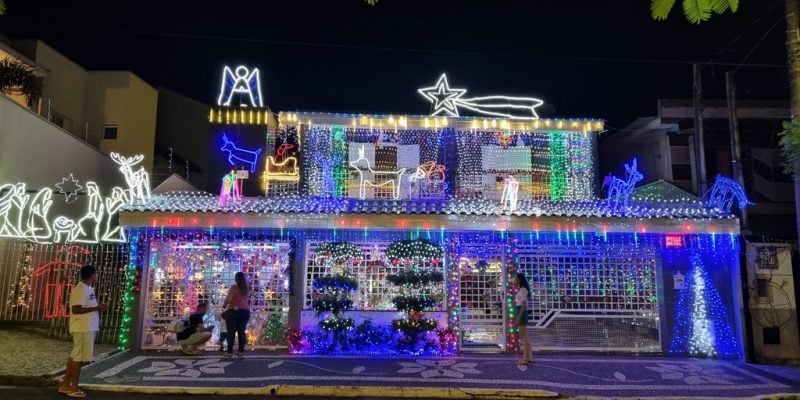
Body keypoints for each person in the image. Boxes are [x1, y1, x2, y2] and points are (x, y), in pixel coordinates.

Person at [58, 265, 108, 398]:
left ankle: (65, 384)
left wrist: (96, 308)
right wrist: (98, 308)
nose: (97, 276)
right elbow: (76, 309)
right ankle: (74, 387)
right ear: (92, 275)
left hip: (87, 326)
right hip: (82, 327)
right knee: (79, 358)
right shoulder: (80, 290)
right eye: (96, 273)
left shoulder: (88, 288)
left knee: (75, 355)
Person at [222, 271, 250, 357]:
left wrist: (225, 304)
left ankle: (229, 352)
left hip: (234, 312)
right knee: (241, 332)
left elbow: (228, 299)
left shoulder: (234, 288)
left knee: (231, 332)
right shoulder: (247, 288)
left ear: (236, 279)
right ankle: (241, 351)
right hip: (245, 312)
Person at [513, 272, 534, 365]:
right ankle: (530, 357)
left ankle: (525, 359)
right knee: (525, 337)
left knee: (523, 337)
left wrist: (518, 317)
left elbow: (523, 305)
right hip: (520, 312)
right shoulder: (521, 289)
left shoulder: (522, 289)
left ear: (519, 280)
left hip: (521, 313)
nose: (514, 280)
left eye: (515, 278)